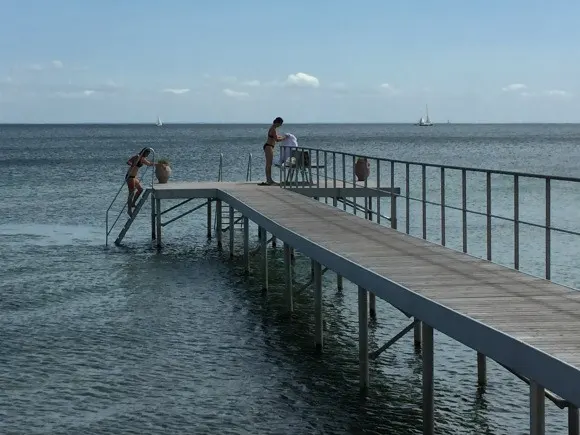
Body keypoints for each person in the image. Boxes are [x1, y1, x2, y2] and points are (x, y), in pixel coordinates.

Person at [125, 147, 156, 216]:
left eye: (148, 154)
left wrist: (158, 164)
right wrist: (132, 164)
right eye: (146, 153)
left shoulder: (142, 159)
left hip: (134, 177)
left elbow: (149, 164)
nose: (147, 155)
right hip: (130, 177)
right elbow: (128, 162)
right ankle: (129, 210)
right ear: (143, 152)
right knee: (131, 193)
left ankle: (133, 203)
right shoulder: (137, 157)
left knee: (140, 189)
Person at [261, 117, 285, 185]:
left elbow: (276, 137)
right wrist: (284, 138)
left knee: (269, 164)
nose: (280, 125)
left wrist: (283, 137)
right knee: (269, 164)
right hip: (269, 146)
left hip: (269, 146)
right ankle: (269, 180)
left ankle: (269, 179)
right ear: (277, 122)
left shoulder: (273, 128)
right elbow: (277, 140)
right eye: (280, 124)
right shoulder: (273, 129)